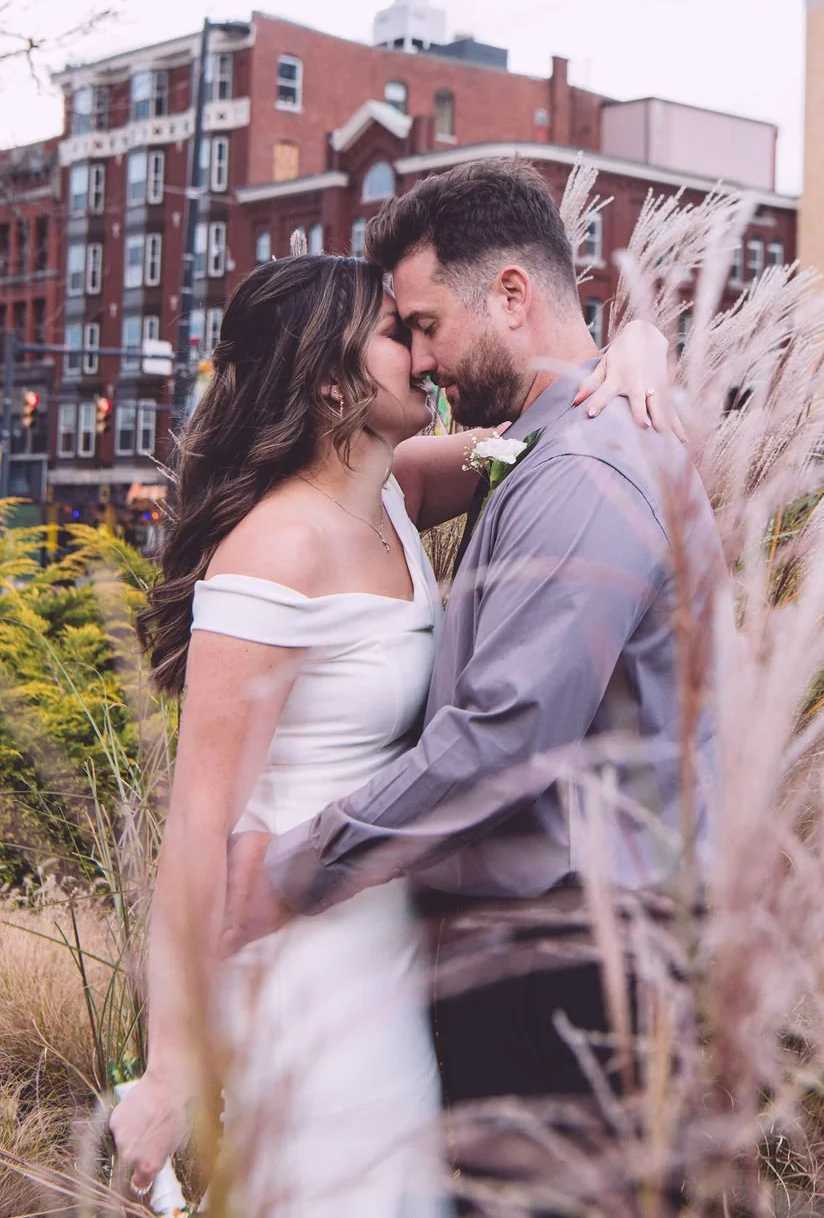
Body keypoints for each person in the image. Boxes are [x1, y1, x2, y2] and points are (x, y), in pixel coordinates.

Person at [109, 231, 681, 1215]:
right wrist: (168, 1066)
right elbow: (197, 829)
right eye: (393, 334)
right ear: (328, 384)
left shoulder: (394, 491)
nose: (421, 357)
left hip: (391, 930)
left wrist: (640, 350)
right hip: (303, 951)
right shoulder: (276, 551)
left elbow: (555, 424)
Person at [222, 159, 728, 1203]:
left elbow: (500, 740)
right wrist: (632, 335)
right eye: (397, 334)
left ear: (509, 295)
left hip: (573, 970)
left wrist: (289, 871)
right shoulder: (532, 449)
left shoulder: (582, 468)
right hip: (523, 963)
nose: (418, 356)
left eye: (423, 324)